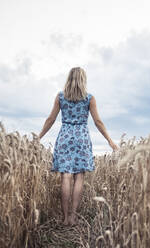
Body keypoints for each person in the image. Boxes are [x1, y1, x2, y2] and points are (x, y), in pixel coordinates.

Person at [38, 67, 118, 226]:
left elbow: (50, 119)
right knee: (79, 176)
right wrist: (110, 140)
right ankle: (73, 218)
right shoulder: (89, 98)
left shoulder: (60, 97)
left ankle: (65, 218)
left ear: (69, 79)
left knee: (65, 176)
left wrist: (38, 137)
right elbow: (98, 122)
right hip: (81, 138)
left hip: (65, 137)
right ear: (83, 80)